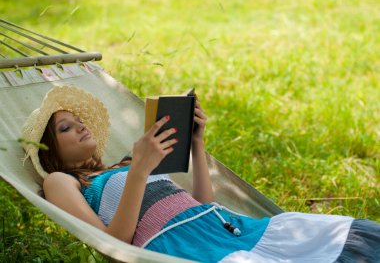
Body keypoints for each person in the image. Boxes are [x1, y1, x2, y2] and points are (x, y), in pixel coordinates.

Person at [21, 85, 379, 263]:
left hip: (229, 225)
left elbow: (202, 203)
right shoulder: (62, 182)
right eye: (66, 128)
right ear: (51, 150)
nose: (80, 126)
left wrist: (196, 144)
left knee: (339, 236)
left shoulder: (128, 164)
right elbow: (112, 241)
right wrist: (140, 171)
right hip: (187, 247)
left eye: (79, 121)